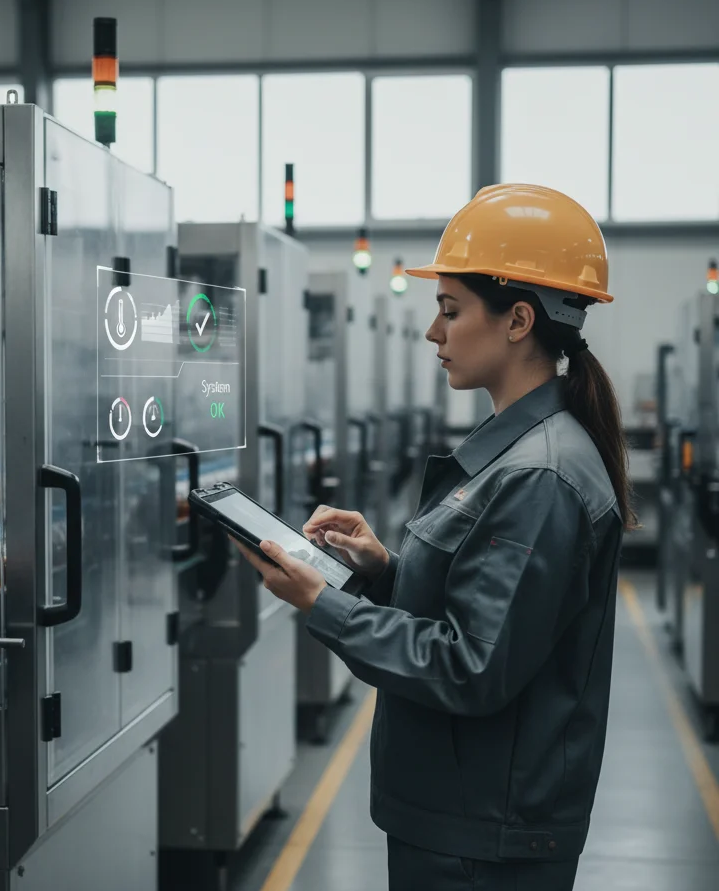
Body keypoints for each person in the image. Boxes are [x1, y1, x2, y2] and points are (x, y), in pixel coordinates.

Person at [235, 184, 630, 891]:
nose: (433, 331)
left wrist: (323, 602)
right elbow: (486, 612)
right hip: (461, 818)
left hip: (482, 840)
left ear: (517, 320)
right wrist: (383, 570)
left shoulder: (541, 475)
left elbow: (470, 665)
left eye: (450, 310)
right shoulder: (519, 451)